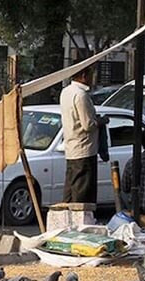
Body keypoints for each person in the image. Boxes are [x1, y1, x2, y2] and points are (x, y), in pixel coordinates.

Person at [59, 65, 100, 203]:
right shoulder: (81, 95)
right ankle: (79, 221)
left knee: (71, 189)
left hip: (71, 148)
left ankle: (68, 220)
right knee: (82, 192)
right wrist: (101, 121)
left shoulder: (66, 92)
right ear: (83, 75)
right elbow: (88, 125)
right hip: (84, 149)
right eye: (90, 75)